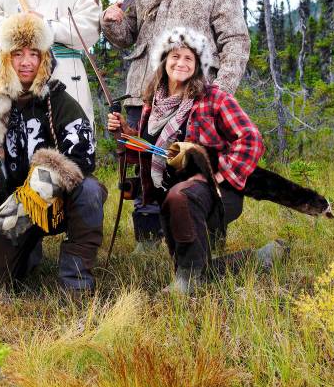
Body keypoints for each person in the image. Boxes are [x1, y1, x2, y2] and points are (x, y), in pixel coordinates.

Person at [100, 0, 249, 246]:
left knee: (192, 169)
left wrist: (218, 96)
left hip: (194, 99)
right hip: (144, 95)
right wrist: (111, 23)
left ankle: (201, 242)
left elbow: (236, 43)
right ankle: (148, 244)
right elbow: (127, 36)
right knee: (143, 172)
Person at [106, 27, 284, 294]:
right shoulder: (152, 105)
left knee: (181, 197)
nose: (181, 63)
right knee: (201, 264)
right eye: (175, 56)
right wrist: (125, 134)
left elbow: (251, 140)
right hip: (173, 197)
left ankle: (186, 281)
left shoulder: (214, 99)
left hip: (219, 193)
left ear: (198, 65)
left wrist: (220, 174)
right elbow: (149, 152)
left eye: (189, 58)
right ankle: (260, 258)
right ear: (164, 61)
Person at [0, 13, 106, 292]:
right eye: (18, 53)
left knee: (90, 191)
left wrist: (39, 187)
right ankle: (26, 249)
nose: (26, 62)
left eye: (34, 53)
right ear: (5, 57)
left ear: (44, 59)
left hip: (53, 205)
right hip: (4, 210)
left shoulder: (60, 102)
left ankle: (76, 283)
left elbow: (84, 157)